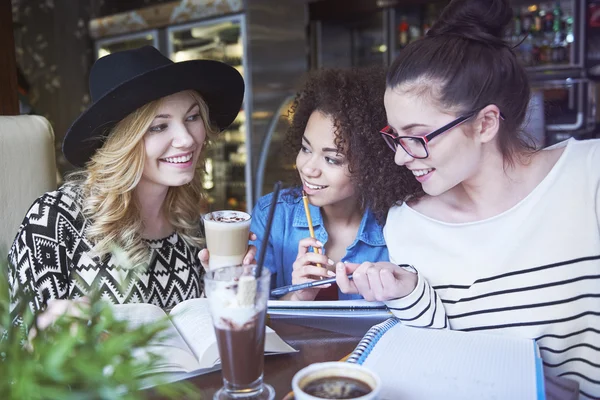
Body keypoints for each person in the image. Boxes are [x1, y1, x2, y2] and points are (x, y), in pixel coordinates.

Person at [335, 0, 600, 398]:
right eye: (395, 135)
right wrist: (409, 294)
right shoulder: (409, 224)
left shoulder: (588, 175)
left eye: (417, 136)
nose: (401, 156)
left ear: (485, 123)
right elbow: (449, 364)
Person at [7, 46, 251, 315]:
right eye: (159, 126)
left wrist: (227, 290)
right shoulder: (54, 221)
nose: (187, 139)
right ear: (122, 142)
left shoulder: (195, 227)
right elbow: (16, 348)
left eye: (192, 117)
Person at [245, 67, 418, 301]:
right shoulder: (273, 214)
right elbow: (246, 311)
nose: (307, 168)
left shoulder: (403, 224)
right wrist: (299, 296)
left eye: (332, 159)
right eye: (306, 148)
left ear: (372, 165)